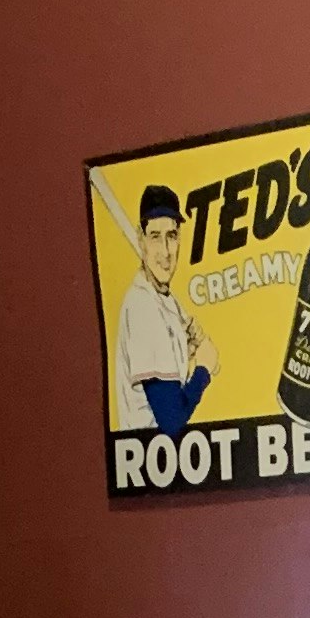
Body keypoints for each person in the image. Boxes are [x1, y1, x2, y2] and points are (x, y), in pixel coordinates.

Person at [113, 181, 211, 432]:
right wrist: (204, 370)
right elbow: (171, 420)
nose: (166, 252)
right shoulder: (142, 307)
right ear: (140, 239)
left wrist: (187, 353)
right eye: (155, 237)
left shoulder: (162, 299)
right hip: (148, 451)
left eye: (171, 236)